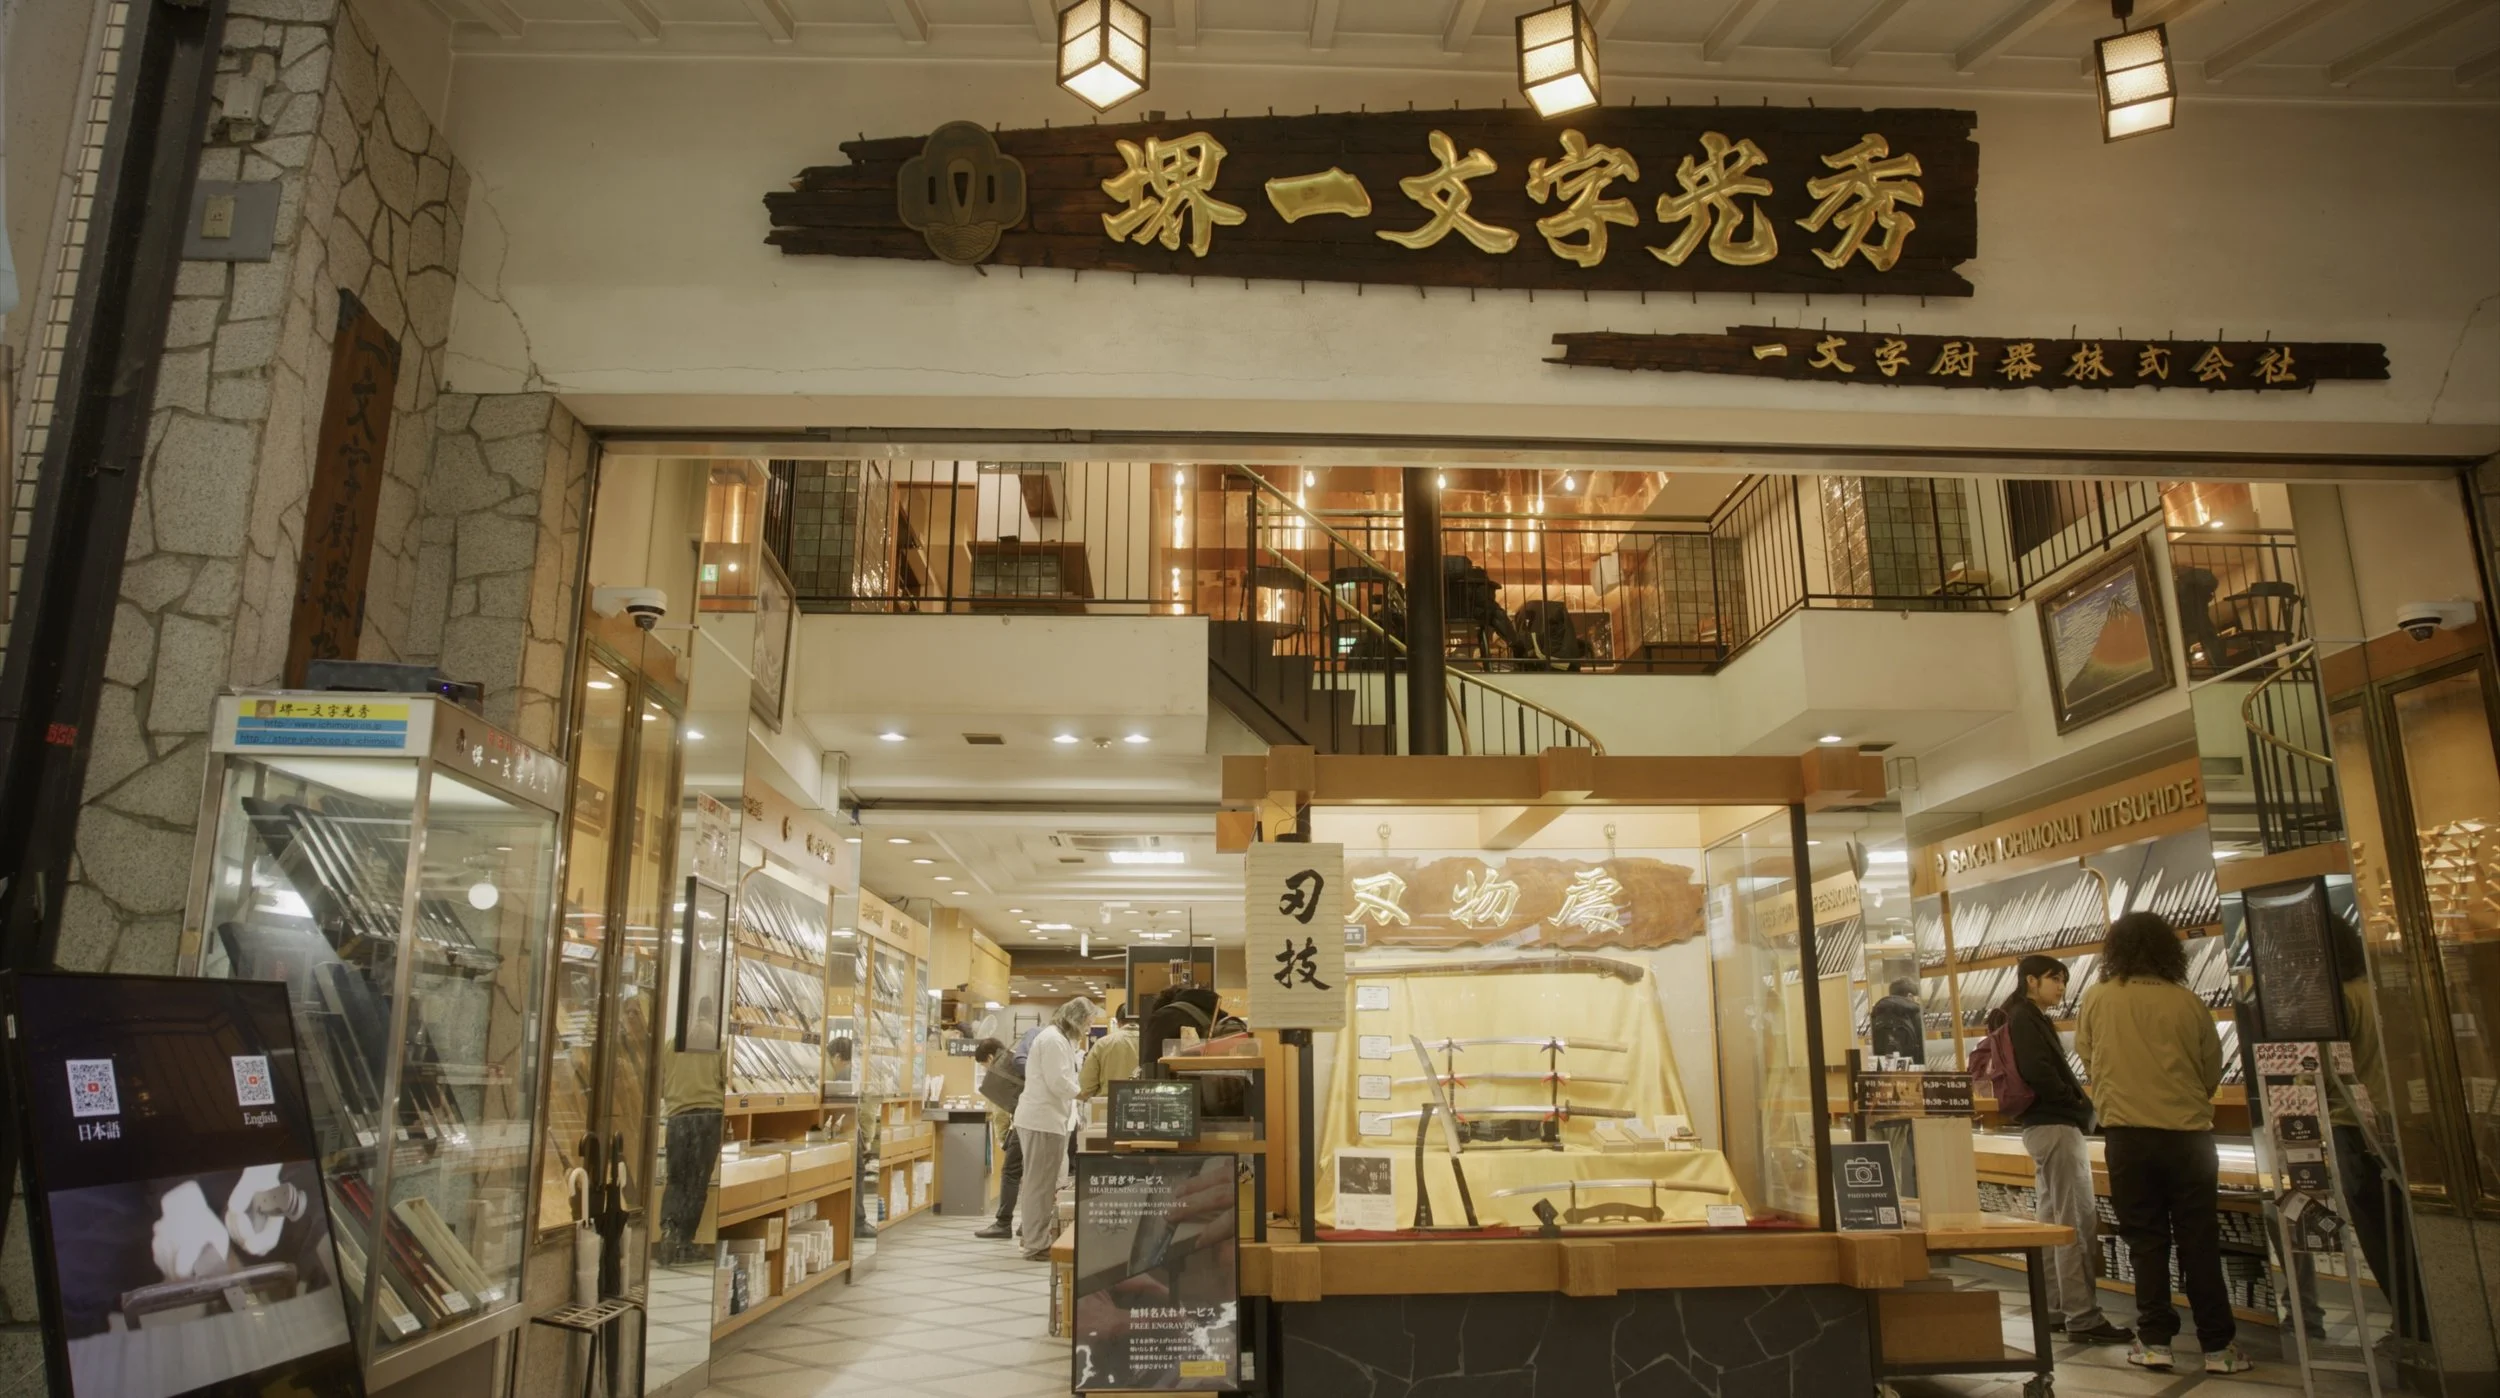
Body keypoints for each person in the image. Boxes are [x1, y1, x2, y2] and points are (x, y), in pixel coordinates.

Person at [2076, 911, 2248, 1375]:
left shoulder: (2097, 998)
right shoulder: (2188, 1002)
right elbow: (2210, 1070)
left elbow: (2089, 1059)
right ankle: (2218, 1347)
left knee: (2145, 1241)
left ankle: (2154, 1341)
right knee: (2199, 1241)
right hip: (2189, 1139)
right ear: (2169, 951)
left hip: (2127, 1137)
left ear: (2115, 950)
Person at [1996, 955, 2132, 1344]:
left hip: (2042, 1126)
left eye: (2064, 980)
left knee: (2052, 1223)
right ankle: (2083, 1316)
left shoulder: (2018, 1015)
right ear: (2031, 980)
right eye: (2055, 979)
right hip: (2056, 1125)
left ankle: (2055, 1308)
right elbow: (2039, 1071)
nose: (2061, 987)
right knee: (2074, 1222)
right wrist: (2076, 1105)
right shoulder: (2025, 1018)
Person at [1014, 998, 1096, 1260]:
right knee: (1039, 1185)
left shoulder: (1058, 1039)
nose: (1088, 1029)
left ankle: (1033, 1237)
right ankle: (1035, 1244)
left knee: (1041, 1183)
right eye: (1087, 1023)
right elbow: (1058, 1081)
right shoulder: (1053, 1040)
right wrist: (1083, 1094)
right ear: (1076, 1019)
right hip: (1042, 1121)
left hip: (1046, 1120)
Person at [972, 1035, 1025, 1241]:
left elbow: (1000, 1111)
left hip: (1023, 1123)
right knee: (1031, 1174)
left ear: (990, 1057)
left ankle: (1003, 1223)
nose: (985, 1069)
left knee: (1010, 1172)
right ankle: (1029, 1222)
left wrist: (1003, 1138)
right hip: (1040, 1121)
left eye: (983, 1064)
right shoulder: (1016, 1058)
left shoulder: (999, 1069)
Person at [1079, 1006, 1141, 1102]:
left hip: (1108, 1104)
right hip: (1142, 1104)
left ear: (1118, 1022)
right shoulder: (1152, 1042)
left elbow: (1087, 1085)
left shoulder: (1102, 1043)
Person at [1869, 977, 1924, 1063]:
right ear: (1910, 996)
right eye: (1917, 998)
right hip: (1913, 1067)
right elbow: (1923, 1048)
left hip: (1884, 1067)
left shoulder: (1877, 1013)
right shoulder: (1915, 1014)